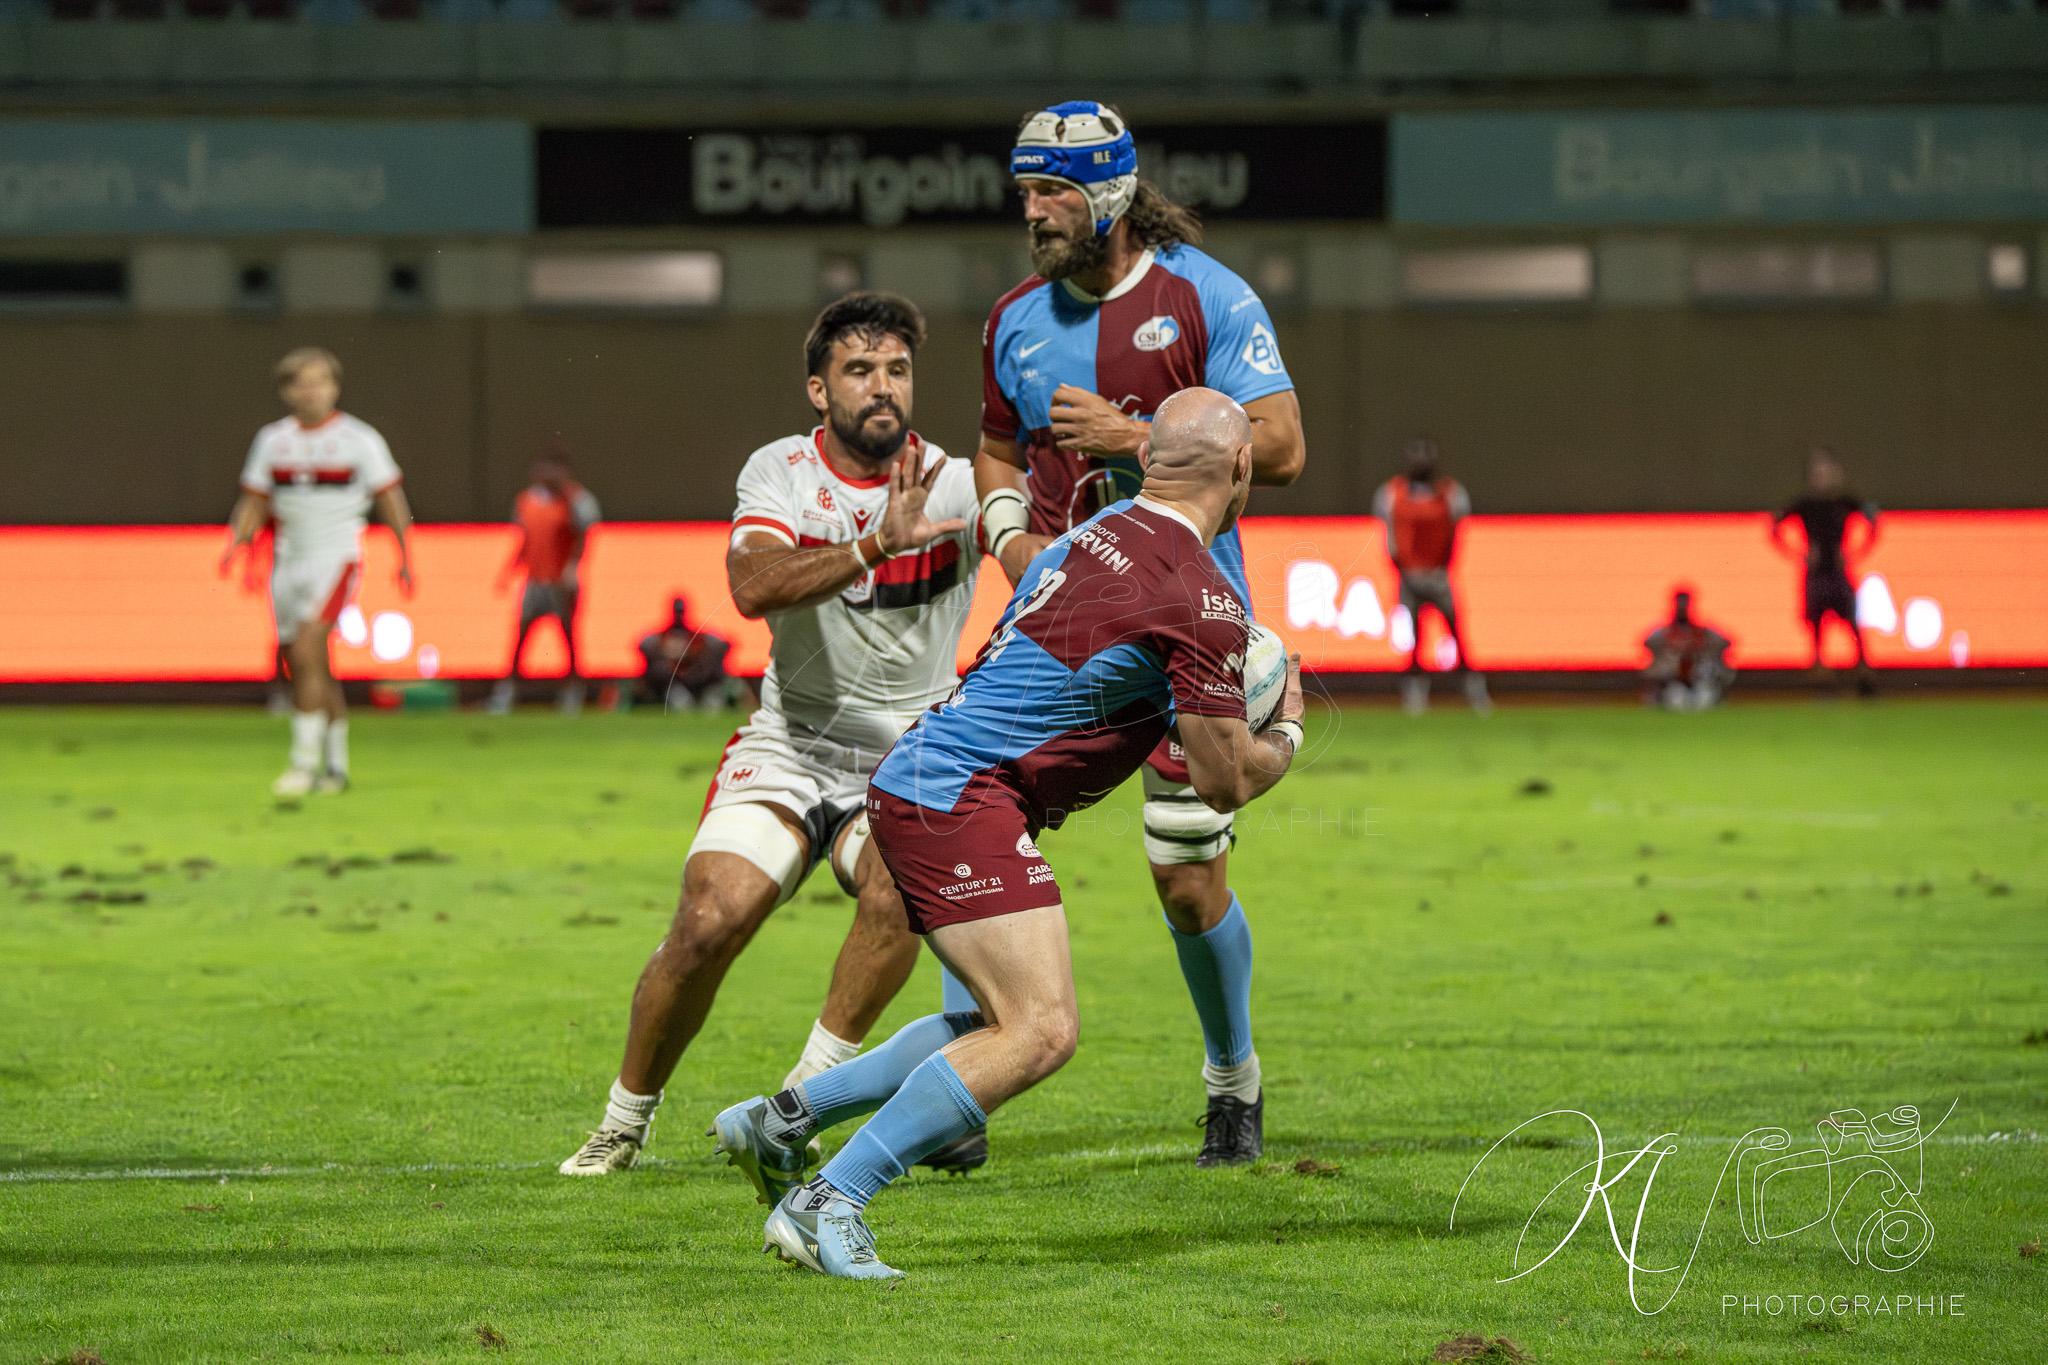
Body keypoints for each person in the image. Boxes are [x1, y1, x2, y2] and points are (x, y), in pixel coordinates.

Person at [710, 388, 1305, 1280]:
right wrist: (1284, 732)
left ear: (1150, 461)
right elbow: (1221, 781)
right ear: (1241, 469)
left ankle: (781, 1119)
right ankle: (831, 1197)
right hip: (960, 798)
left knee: (982, 1016)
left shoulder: (1076, 542)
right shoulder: (1203, 597)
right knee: (1039, 1028)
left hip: (925, 775)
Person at [558, 293, 989, 1177]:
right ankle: (622, 1121)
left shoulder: (958, 481)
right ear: (817, 388)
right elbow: (752, 585)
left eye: (897, 370)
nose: (882, 388)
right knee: (710, 919)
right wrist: (874, 545)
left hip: (910, 754)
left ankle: (797, 1102)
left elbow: (1034, 557)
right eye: (859, 370)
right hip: (792, 745)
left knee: (899, 893)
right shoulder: (782, 471)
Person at [971, 100, 1307, 1167]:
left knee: (1183, 876)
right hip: (1055, 631)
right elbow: (991, 448)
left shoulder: (1205, 297)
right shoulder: (1013, 318)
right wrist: (1009, 538)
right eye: (1025, 190)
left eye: (1053, 191)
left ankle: (1231, 1081)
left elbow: (1283, 447)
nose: (1033, 210)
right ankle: (960, 1093)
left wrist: (1133, 436)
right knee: (972, 837)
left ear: (1111, 192)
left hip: (1180, 630)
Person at [223, 347, 413, 797]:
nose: (311, 391)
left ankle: (302, 765)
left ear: (335, 387)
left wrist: (406, 553)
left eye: (320, 381)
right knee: (307, 662)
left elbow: (390, 499)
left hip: (337, 558)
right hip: (289, 561)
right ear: (288, 391)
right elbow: (254, 498)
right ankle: (337, 767)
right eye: (302, 383)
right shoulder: (272, 440)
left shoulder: (359, 440)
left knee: (308, 647)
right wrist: (239, 541)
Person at [1373, 437, 1487, 716]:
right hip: (1409, 577)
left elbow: (1456, 533)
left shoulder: (1450, 493)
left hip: (1438, 577)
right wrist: (1401, 568)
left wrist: (1444, 566)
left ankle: (1473, 691)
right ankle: (1415, 695)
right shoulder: (1392, 494)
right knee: (1414, 640)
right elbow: (1389, 537)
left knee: (1456, 634)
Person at [488, 450, 601, 716]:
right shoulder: (527, 500)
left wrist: (574, 567)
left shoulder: (575, 499)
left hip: (560, 581)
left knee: (568, 639)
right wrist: (510, 570)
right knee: (520, 639)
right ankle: (506, 693)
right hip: (535, 580)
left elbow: (583, 534)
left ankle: (572, 694)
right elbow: (525, 539)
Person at [1773, 446, 1880, 694]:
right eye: (1816, 471)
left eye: (1825, 471)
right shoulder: (1805, 504)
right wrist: (1799, 554)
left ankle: (1864, 676)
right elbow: (1774, 524)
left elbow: (1874, 520)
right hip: (1816, 575)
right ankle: (1822, 679)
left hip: (1838, 573)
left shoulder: (1844, 502)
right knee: (1817, 628)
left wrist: (1856, 552)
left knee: (1852, 625)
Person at [636, 596, 740, 711]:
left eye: (681, 611)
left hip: (702, 685)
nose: (679, 615)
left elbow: (726, 644)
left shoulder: (699, 638)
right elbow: (644, 646)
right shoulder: (661, 638)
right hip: (675, 687)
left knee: (713, 704)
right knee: (679, 700)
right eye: (676, 611)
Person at [1642, 589, 1734, 712]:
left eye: (1685, 605)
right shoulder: (1664, 632)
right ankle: (1655, 699)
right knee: (1676, 701)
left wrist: (1703, 650)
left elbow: (1726, 643)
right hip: (1674, 682)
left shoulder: (1702, 631)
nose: (1682, 609)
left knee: (1704, 699)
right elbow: (1647, 643)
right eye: (1679, 605)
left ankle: (1721, 699)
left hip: (1700, 681)